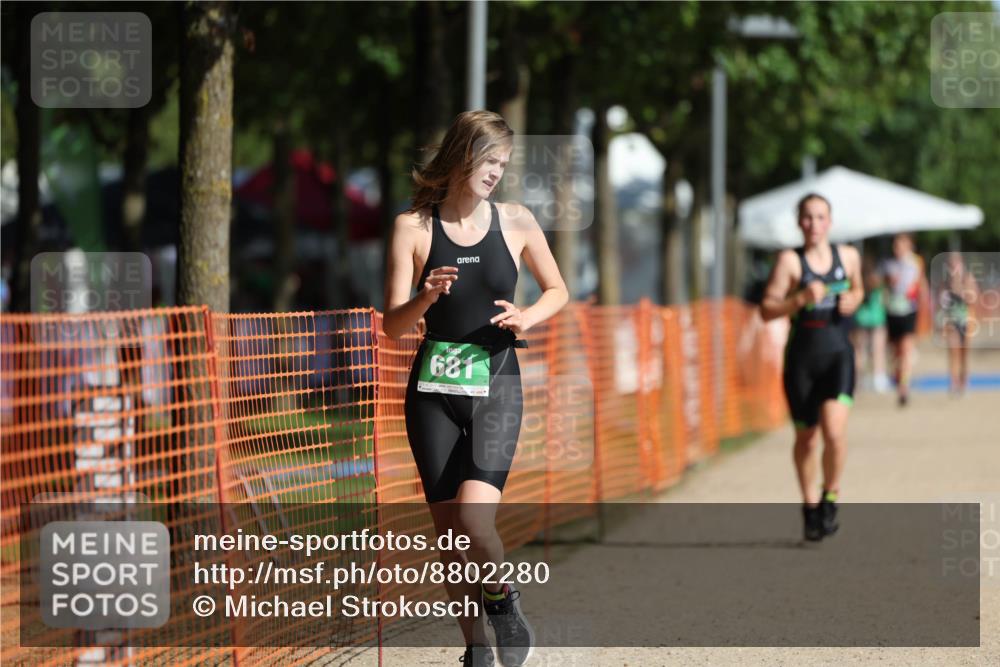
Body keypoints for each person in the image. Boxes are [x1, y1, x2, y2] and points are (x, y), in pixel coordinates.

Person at [382, 110, 569, 667]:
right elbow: (392, 325)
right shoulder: (412, 227)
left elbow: (557, 288)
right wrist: (424, 298)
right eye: (490, 162)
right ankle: (476, 648)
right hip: (432, 393)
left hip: (497, 386)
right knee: (449, 536)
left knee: (474, 523)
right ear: (464, 155)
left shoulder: (515, 221)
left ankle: (502, 598)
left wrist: (529, 318)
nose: (497, 174)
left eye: (503, 165)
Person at [760, 193, 863, 542]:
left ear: (830, 222)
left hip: (838, 354)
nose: (814, 224)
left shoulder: (847, 256)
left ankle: (830, 495)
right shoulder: (790, 262)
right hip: (802, 358)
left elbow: (859, 289)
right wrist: (799, 299)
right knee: (806, 438)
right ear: (799, 222)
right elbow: (766, 310)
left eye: (820, 217)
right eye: (807, 217)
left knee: (833, 432)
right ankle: (809, 506)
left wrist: (855, 299)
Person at [881, 233, 927, 407]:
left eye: (901, 244)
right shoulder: (888, 264)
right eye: (895, 245)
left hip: (909, 310)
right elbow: (882, 284)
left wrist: (924, 313)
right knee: (896, 352)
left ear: (909, 245)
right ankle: (898, 376)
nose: (897, 248)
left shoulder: (915, 262)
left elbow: (921, 285)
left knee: (906, 349)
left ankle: (903, 388)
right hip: (892, 311)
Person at [936, 252, 979, 395]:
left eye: (956, 264)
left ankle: (964, 381)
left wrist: (960, 290)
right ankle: (953, 382)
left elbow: (974, 299)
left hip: (967, 320)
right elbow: (940, 303)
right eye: (951, 265)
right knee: (953, 351)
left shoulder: (968, 279)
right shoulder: (945, 283)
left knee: (964, 352)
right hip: (952, 321)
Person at [851, 253, 890, 393]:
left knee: (859, 351)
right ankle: (878, 378)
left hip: (860, 319)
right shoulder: (876, 280)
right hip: (876, 319)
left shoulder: (856, 280)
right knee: (877, 350)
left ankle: (858, 379)